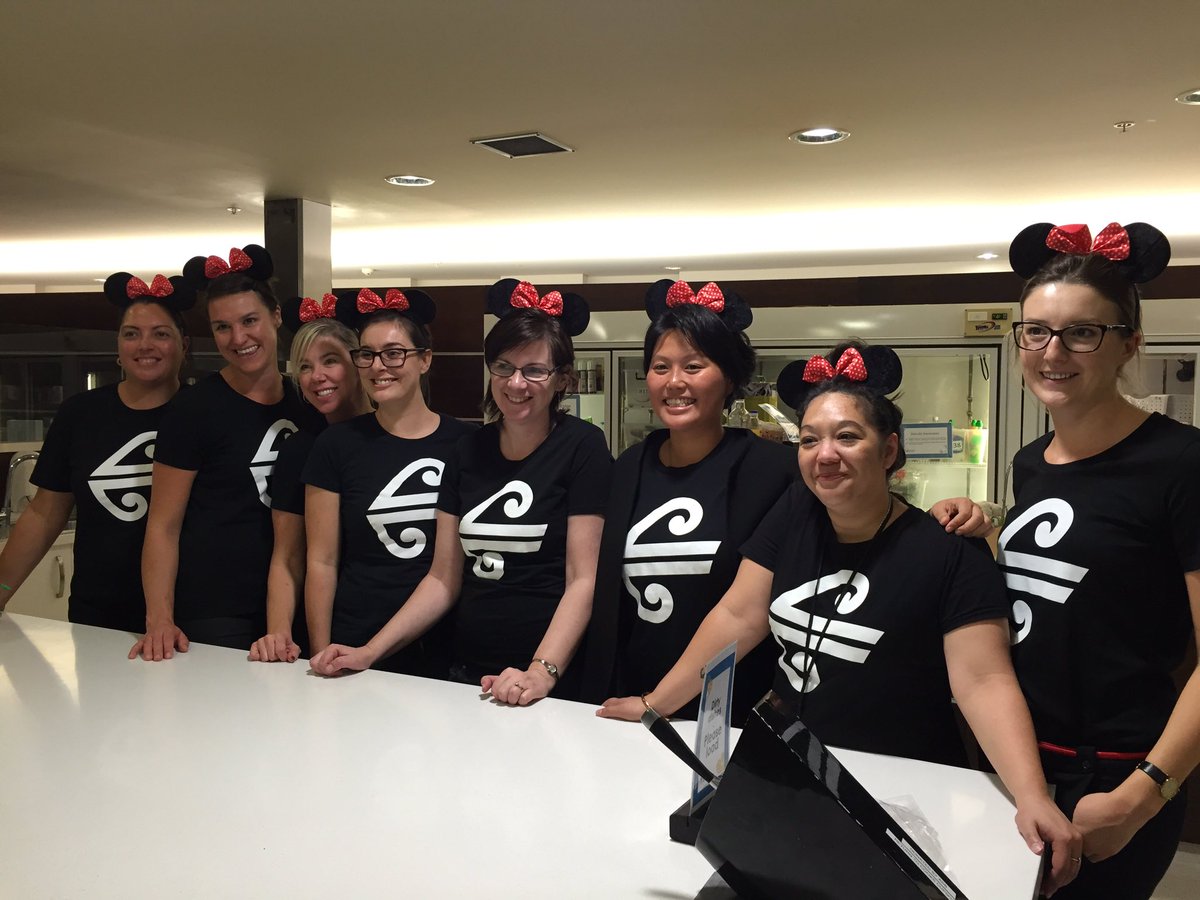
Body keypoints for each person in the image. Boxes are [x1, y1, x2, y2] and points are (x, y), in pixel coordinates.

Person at [598, 341, 1081, 897]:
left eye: (847, 436)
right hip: (785, 775)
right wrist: (657, 702)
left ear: (889, 450)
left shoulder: (949, 552)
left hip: (901, 787)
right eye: (809, 439)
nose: (825, 454)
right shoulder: (794, 516)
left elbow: (984, 681)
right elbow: (738, 614)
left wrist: (1032, 795)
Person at [580, 279, 994, 723]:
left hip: (744, 706)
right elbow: (605, 588)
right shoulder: (627, 465)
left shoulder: (779, 470)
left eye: (694, 366)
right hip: (641, 688)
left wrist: (952, 515)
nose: (675, 381)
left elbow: (855, 514)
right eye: (660, 367)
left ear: (730, 377)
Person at [1001, 221, 1199, 899]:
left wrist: (1141, 797)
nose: (1053, 351)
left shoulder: (1181, 463)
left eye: (1083, 332)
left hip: (1118, 775)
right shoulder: (1031, 465)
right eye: (1036, 330)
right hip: (1022, 770)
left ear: (1129, 345)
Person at [311, 279, 611, 704]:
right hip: (465, 670)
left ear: (561, 378)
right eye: (504, 367)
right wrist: (370, 651)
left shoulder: (582, 446)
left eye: (535, 370)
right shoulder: (467, 448)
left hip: (547, 676)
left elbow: (582, 579)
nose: (516, 383)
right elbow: (442, 577)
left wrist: (540, 671)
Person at [130, 245, 321, 659]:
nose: (238, 339)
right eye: (222, 327)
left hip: (294, 604)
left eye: (249, 320)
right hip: (215, 611)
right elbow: (163, 526)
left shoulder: (307, 403)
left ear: (274, 317)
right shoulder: (194, 410)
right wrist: (159, 619)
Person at [0, 272, 191, 631]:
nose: (144, 345)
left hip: (190, 614)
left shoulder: (202, 412)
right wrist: (1, 590)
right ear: (118, 346)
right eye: (131, 334)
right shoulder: (80, 414)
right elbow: (43, 514)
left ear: (185, 344)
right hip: (98, 615)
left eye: (160, 334)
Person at [299, 287, 473, 674]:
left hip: (445, 644)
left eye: (394, 353)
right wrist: (320, 650)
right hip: (354, 636)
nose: (379, 366)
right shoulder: (337, 444)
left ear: (425, 359)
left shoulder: (467, 443)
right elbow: (322, 560)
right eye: (367, 354)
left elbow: (452, 568)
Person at [249, 294, 371, 663]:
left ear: (358, 363)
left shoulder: (394, 438)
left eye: (330, 361)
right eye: (304, 367)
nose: (316, 377)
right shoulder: (300, 449)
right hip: (326, 631)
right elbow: (287, 557)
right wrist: (278, 633)